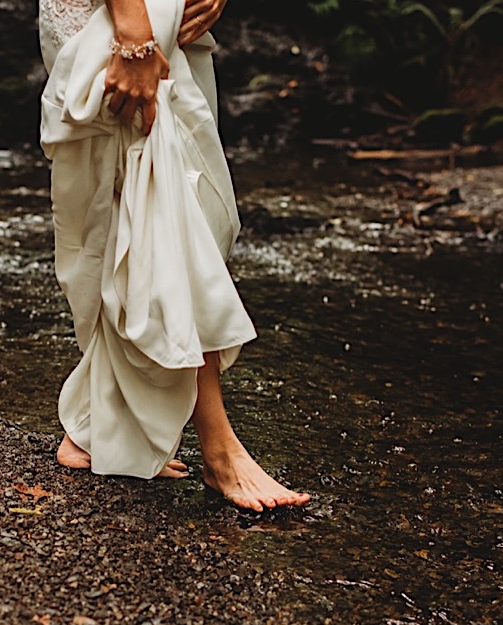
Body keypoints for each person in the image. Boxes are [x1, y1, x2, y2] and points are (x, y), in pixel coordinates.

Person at [38, 0, 310, 512]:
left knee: (163, 210)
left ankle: (101, 428)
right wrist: (134, 37)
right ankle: (219, 449)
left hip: (165, 17)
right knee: (163, 210)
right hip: (126, 17)